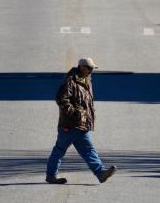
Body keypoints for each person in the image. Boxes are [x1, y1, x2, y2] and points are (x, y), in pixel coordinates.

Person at [45, 57, 117, 185]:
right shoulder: (70, 81)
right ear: (82, 67)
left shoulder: (87, 81)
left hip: (82, 124)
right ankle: (51, 175)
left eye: (92, 69)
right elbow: (61, 99)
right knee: (59, 150)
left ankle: (101, 173)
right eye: (89, 68)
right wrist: (75, 114)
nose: (91, 71)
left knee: (88, 150)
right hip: (70, 125)